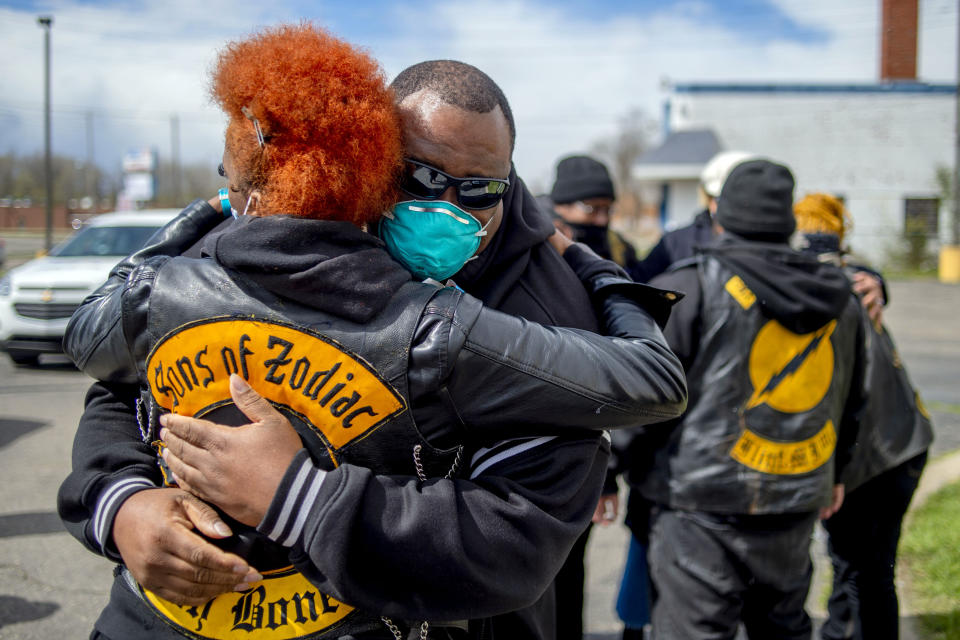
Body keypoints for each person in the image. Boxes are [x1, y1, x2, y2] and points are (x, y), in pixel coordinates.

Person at [58, 43, 686, 640]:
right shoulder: (273, 239)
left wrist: (301, 498)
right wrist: (122, 503)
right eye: (417, 175)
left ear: (508, 180)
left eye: (479, 189)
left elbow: (516, 536)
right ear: (370, 156)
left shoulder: (545, 312)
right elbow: (126, 388)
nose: (446, 207)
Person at [633, 159, 866, 640]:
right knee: (782, 626)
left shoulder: (690, 285)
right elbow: (853, 396)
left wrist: (611, 471)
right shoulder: (842, 295)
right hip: (797, 493)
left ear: (722, 216)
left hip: (697, 504)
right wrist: (837, 472)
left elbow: (644, 397)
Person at [794, 193, 933, 640]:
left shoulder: (822, 288)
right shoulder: (851, 277)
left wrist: (833, 475)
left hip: (878, 454)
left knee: (862, 572)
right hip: (903, 444)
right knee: (859, 568)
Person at [548, 155, 644, 280]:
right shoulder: (542, 245)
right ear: (561, 207)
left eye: (608, 209)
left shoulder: (619, 247)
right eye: (592, 208)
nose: (602, 219)